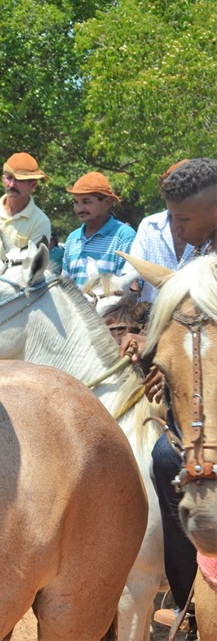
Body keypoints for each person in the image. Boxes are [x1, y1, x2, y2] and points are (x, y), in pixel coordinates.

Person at [119, 157, 217, 635]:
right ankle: (188, 599)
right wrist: (169, 366)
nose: (175, 229)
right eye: (172, 218)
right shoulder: (201, 252)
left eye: (183, 219)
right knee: (164, 456)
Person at [122, 159, 194, 303]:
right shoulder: (149, 225)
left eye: (187, 189)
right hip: (151, 316)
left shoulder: (211, 229)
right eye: (173, 189)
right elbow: (131, 271)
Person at [0, 152, 51, 274]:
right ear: (3, 179)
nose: (12, 184)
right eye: (9, 178)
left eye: (19, 180)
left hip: (13, 289)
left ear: (33, 185)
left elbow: (31, 267)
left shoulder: (40, 221)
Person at [61, 171, 136, 286]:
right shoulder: (72, 238)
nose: (79, 208)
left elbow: (128, 286)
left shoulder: (124, 236)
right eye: (75, 202)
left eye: (86, 201)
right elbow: (65, 287)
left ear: (107, 203)